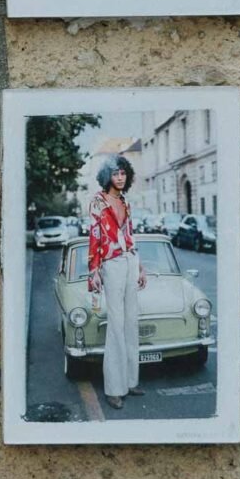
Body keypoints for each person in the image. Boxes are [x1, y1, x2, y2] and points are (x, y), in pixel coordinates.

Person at [86, 155, 147, 411]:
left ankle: (130, 382)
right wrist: (94, 271)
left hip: (130, 261)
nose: (120, 177)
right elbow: (95, 236)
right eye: (115, 173)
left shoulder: (125, 202)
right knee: (116, 325)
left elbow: (130, 236)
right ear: (107, 176)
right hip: (111, 265)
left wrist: (140, 266)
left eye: (123, 173)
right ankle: (114, 388)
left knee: (132, 322)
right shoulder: (98, 202)